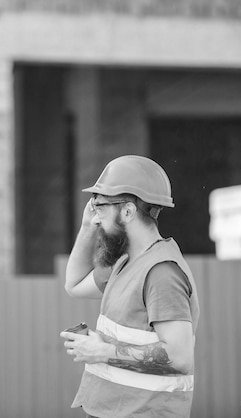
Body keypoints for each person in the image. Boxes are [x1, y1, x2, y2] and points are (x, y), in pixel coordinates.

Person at [60, 155, 200, 418]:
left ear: (127, 211)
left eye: (100, 207)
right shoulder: (124, 260)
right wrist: (86, 228)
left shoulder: (162, 273)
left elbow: (180, 357)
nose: (96, 218)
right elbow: (74, 285)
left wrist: (103, 352)